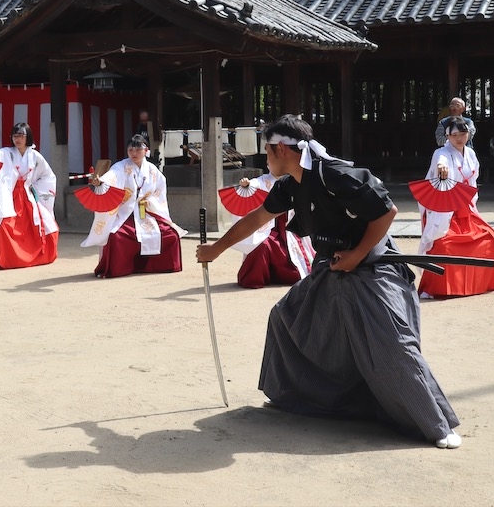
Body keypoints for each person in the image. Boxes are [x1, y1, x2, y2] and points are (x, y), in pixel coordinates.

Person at [196, 115, 461, 449]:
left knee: (389, 342)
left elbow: (386, 212)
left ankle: (435, 425)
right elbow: (258, 217)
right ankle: (291, 393)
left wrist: (357, 255)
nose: (265, 159)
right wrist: (216, 249)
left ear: (281, 149)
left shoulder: (334, 173)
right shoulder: (290, 184)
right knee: (286, 317)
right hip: (332, 266)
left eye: (267, 151)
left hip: (371, 267)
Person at [418, 116, 494, 297]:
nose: (459, 138)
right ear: (447, 137)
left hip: (466, 206)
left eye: (463, 134)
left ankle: (479, 284)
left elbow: (473, 180)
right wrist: (442, 167)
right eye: (454, 135)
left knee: (491, 240)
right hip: (446, 209)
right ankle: (437, 287)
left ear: (469, 134)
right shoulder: (441, 153)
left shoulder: (471, 153)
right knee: (445, 246)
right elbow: (440, 162)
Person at [80, 134, 186, 277]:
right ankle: (121, 268)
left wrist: (150, 201)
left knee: (170, 235)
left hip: (147, 212)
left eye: (138, 150)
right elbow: (111, 176)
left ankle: (154, 267)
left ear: (146, 150)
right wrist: (101, 181)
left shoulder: (152, 170)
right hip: (126, 213)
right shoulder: (121, 166)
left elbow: (160, 189)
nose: (134, 153)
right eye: (131, 150)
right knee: (115, 236)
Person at [0, 122, 58, 271]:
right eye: (15, 136)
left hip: (27, 197)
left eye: (21, 136)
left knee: (45, 225)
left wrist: (34, 188)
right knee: (1, 226)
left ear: (28, 137)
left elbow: (48, 176)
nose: (17, 139)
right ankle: (1, 260)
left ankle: (34, 256)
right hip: (9, 196)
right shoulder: (7, 152)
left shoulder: (35, 156)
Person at [224, 171, 315, 289]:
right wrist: (247, 184)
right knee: (261, 245)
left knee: (297, 269)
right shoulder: (263, 181)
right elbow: (254, 184)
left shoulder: (293, 180)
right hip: (267, 229)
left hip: (289, 230)